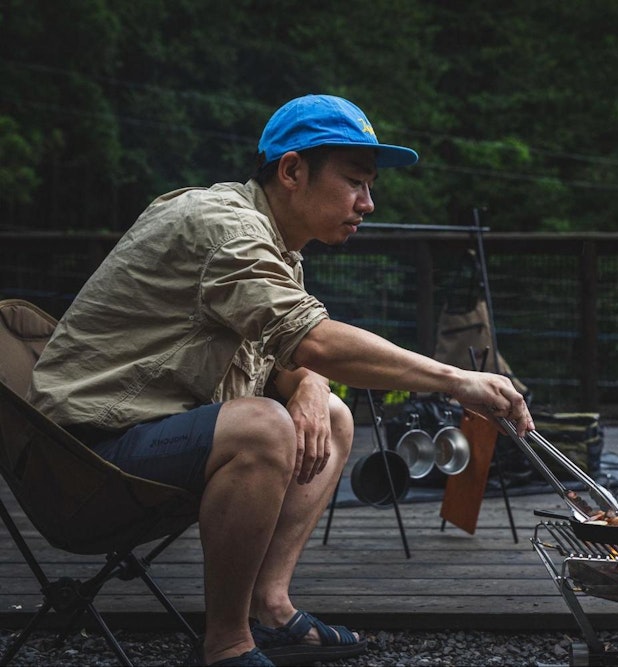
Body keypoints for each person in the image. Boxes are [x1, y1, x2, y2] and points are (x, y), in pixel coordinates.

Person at [27, 94, 533, 667]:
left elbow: (286, 347)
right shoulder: (224, 229)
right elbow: (312, 338)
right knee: (264, 427)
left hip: (139, 444)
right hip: (81, 466)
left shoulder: (276, 246)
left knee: (333, 416)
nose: (368, 203)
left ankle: (270, 610)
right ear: (292, 171)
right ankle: (227, 644)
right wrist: (455, 380)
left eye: (370, 186)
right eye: (355, 182)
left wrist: (312, 385)